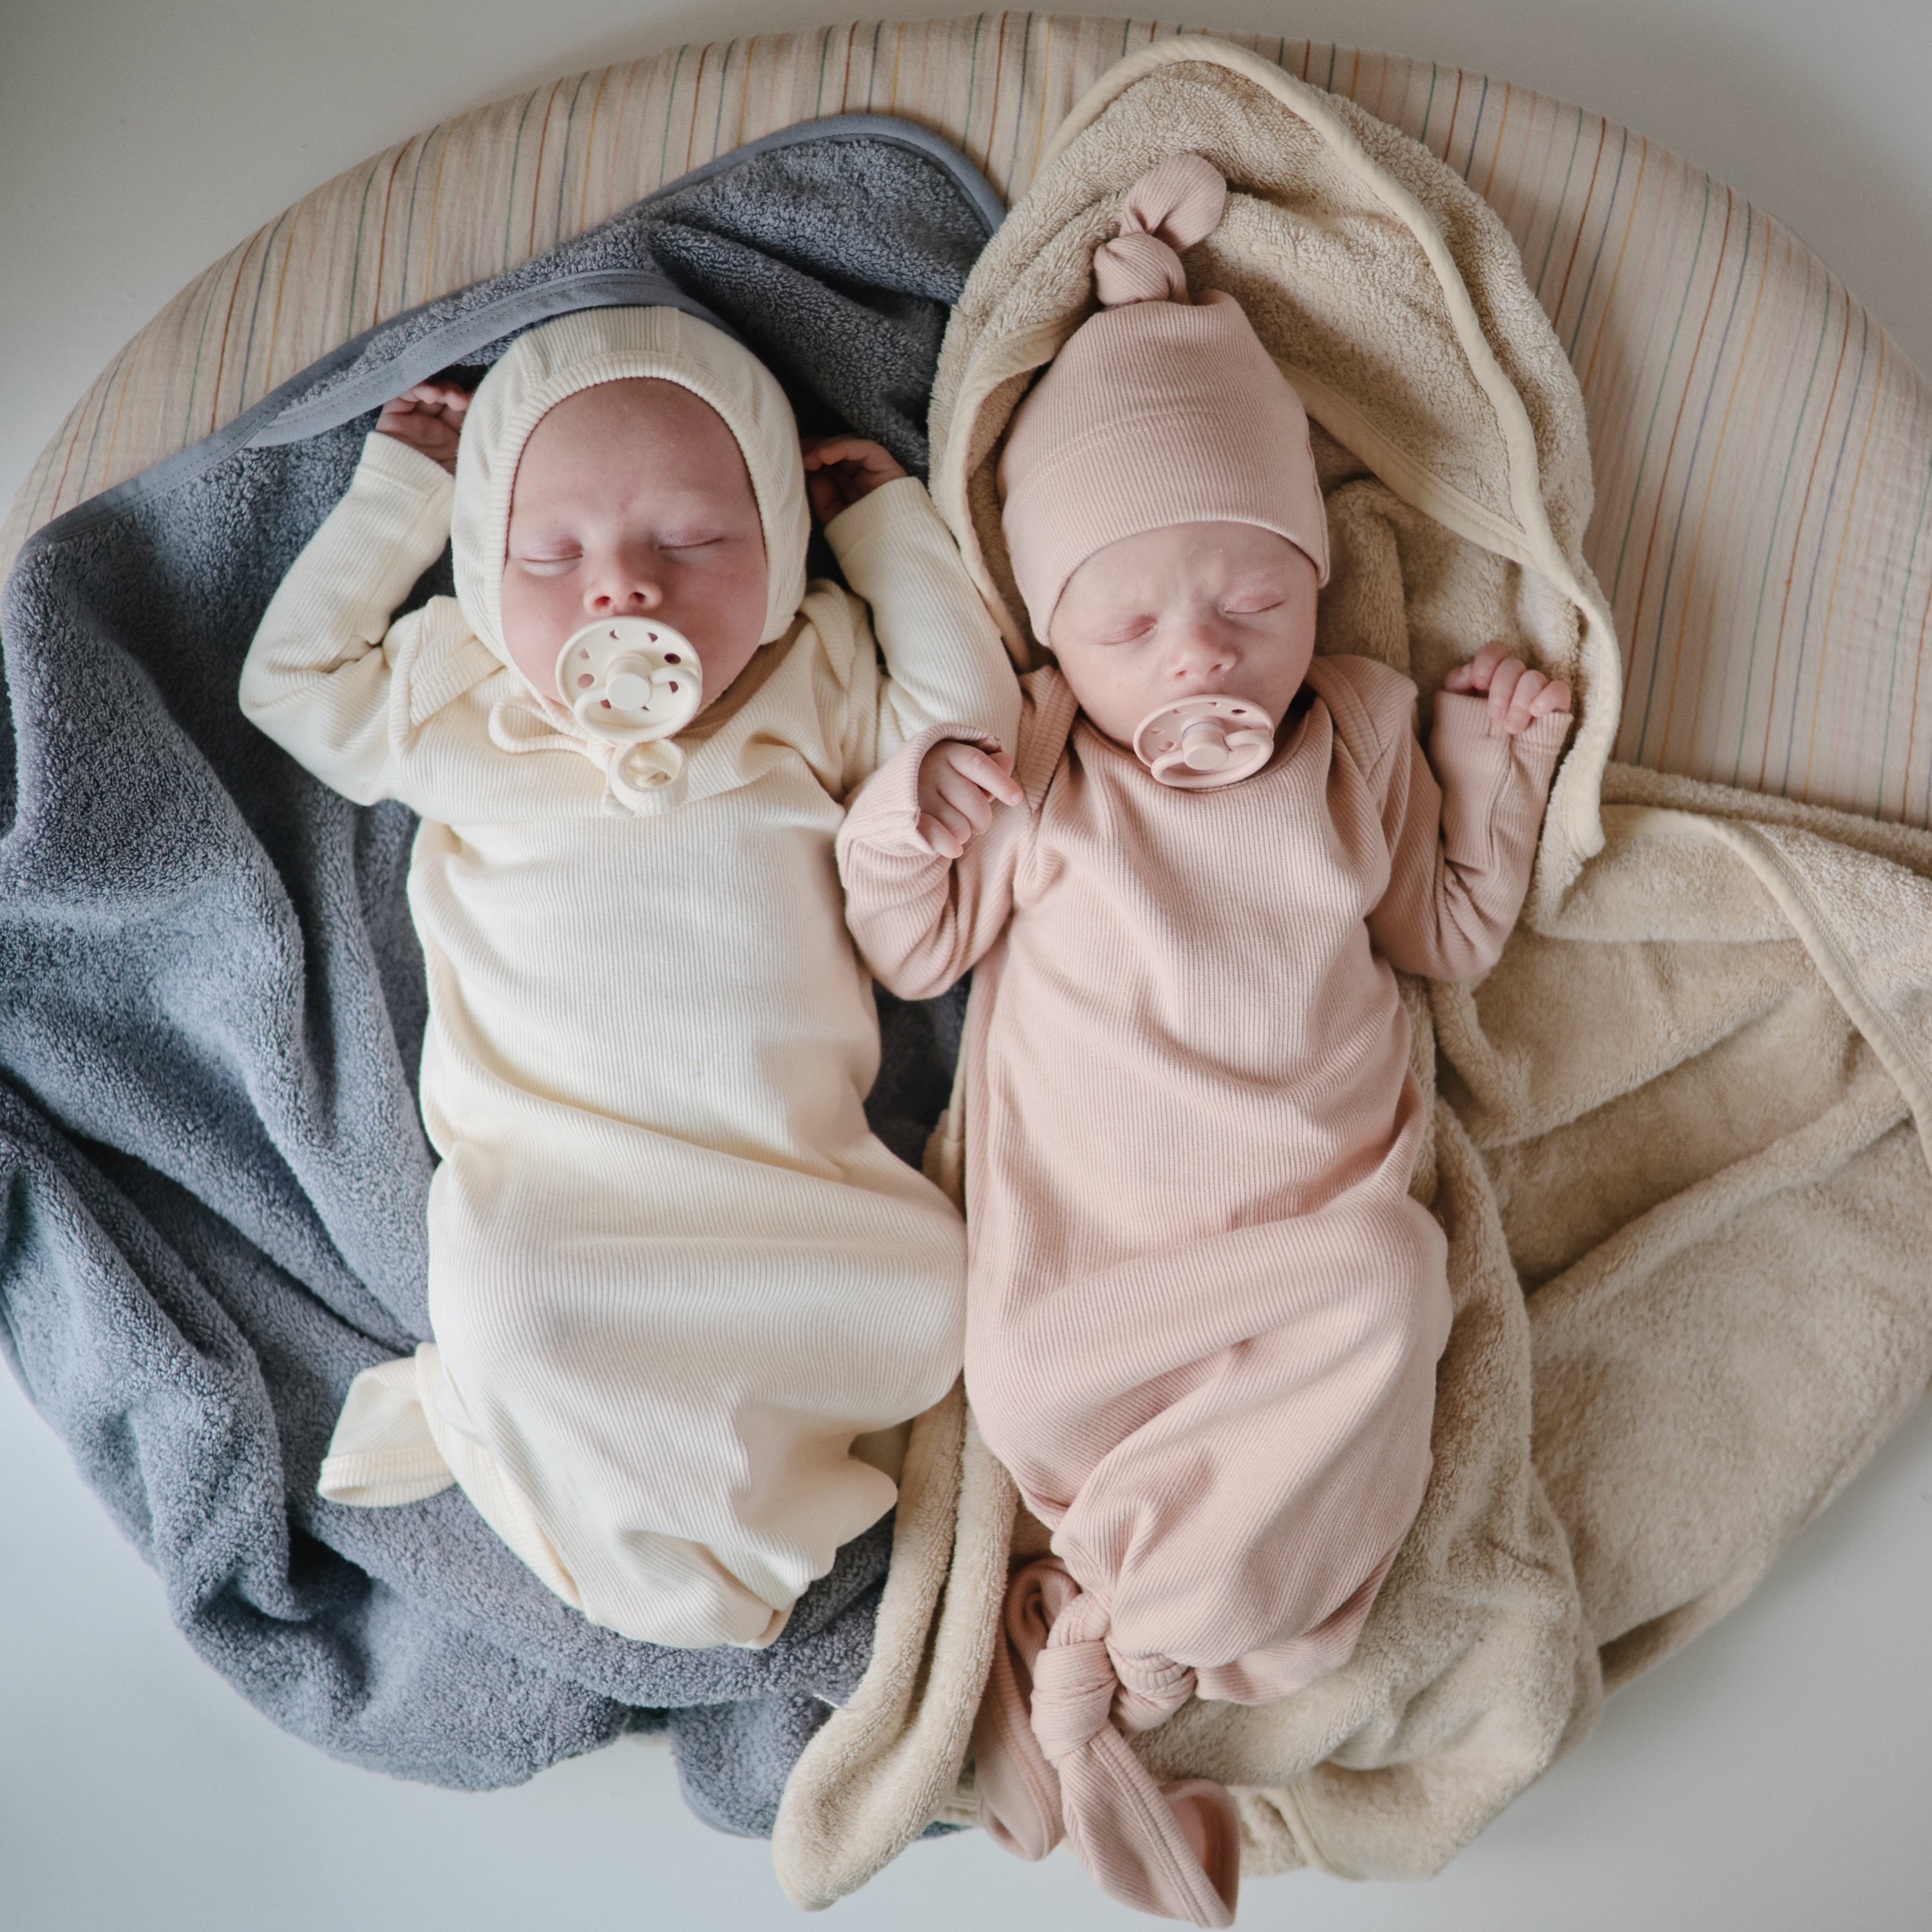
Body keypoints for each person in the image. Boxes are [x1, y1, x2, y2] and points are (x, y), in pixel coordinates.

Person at [834, 155, 1571, 1922]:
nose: (1200, 664)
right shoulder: (1042, 771)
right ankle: (1126, 1654)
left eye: (1255, 607)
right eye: (1131, 624)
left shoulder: (1359, 742)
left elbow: (1444, 939)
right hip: (1088, 1310)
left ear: (1315, 593)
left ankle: (1099, 1650)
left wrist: (1494, 779)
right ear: (1054, 634)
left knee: (1396, 1284)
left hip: (1312, 1279)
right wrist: (906, 818)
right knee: (1375, 1290)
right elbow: (913, 949)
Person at [239, 304, 1019, 1651]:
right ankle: (509, 1425)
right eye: (552, 554)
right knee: (508, 1301)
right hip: (566, 1196)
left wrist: (886, 538)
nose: (622, 592)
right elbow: (291, 681)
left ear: (779, 557)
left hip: (794, 1188)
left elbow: (962, 728)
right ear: (487, 574)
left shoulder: (811, 672)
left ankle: (691, 1471)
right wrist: (405, 495)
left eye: (692, 542)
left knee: (940, 1301)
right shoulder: (460, 689)